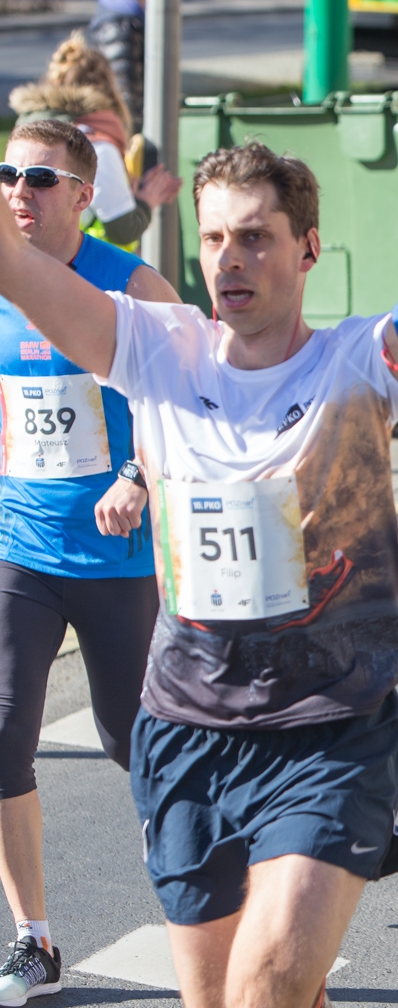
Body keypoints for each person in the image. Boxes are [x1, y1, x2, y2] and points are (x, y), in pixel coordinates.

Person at [0, 0, 398, 1008]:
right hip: (185, 728)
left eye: (256, 237)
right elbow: (19, 269)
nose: (230, 259)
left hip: (328, 726)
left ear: (308, 248)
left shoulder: (358, 366)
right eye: (214, 237)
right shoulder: (154, 347)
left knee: (270, 979)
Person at [0, 119, 179, 1005]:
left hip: (115, 554)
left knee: (130, 737)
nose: (19, 193)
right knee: (2, 736)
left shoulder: (130, 283)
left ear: (83, 194)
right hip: (20, 548)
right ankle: (32, 939)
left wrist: (138, 475)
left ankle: (219, 871)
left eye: (39, 179)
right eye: (8, 175)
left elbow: (186, 393)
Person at [10, 35, 181, 251]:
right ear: (109, 91)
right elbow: (123, 230)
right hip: (77, 263)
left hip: (24, 255)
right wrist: (146, 201)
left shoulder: (27, 132)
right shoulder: (96, 146)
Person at [85, 0, 145, 133]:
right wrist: (134, 134)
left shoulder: (115, 9)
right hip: (121, 128)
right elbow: (125, 91)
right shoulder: (122, 28)